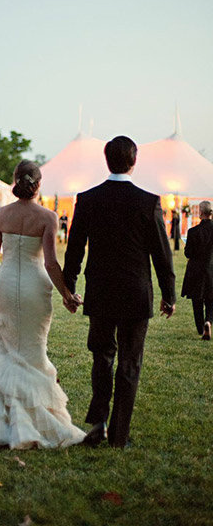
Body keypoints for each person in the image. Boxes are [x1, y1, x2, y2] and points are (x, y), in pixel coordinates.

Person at [0, 160, 85, 449]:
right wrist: (67, 294)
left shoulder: (2, 214)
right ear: (38, 183)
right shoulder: (48, 216)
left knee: (6, 349)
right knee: (32, 350)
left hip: (6, 284)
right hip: (35, 288)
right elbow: (50, 263)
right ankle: (29, 420)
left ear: (15, 180)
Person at [63, 136, 176, 448]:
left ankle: (98, 425)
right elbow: (161, 253)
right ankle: (119, 435)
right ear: (134, 160)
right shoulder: (147, 201)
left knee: (102, 358)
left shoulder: (87, 199)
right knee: (130, 363)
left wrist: (69, 287)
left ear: (106, 159)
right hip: (136, 294)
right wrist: (169, 294)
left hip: (100, 291)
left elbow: (74, 249)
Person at [181, 200, 213, 341]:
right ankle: (209, 321)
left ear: (200, 213)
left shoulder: (193, 232)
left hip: (196, 271)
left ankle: (201, 328)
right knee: (211, 300)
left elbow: (188, 253)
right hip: (211, 269)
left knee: (197, 300)